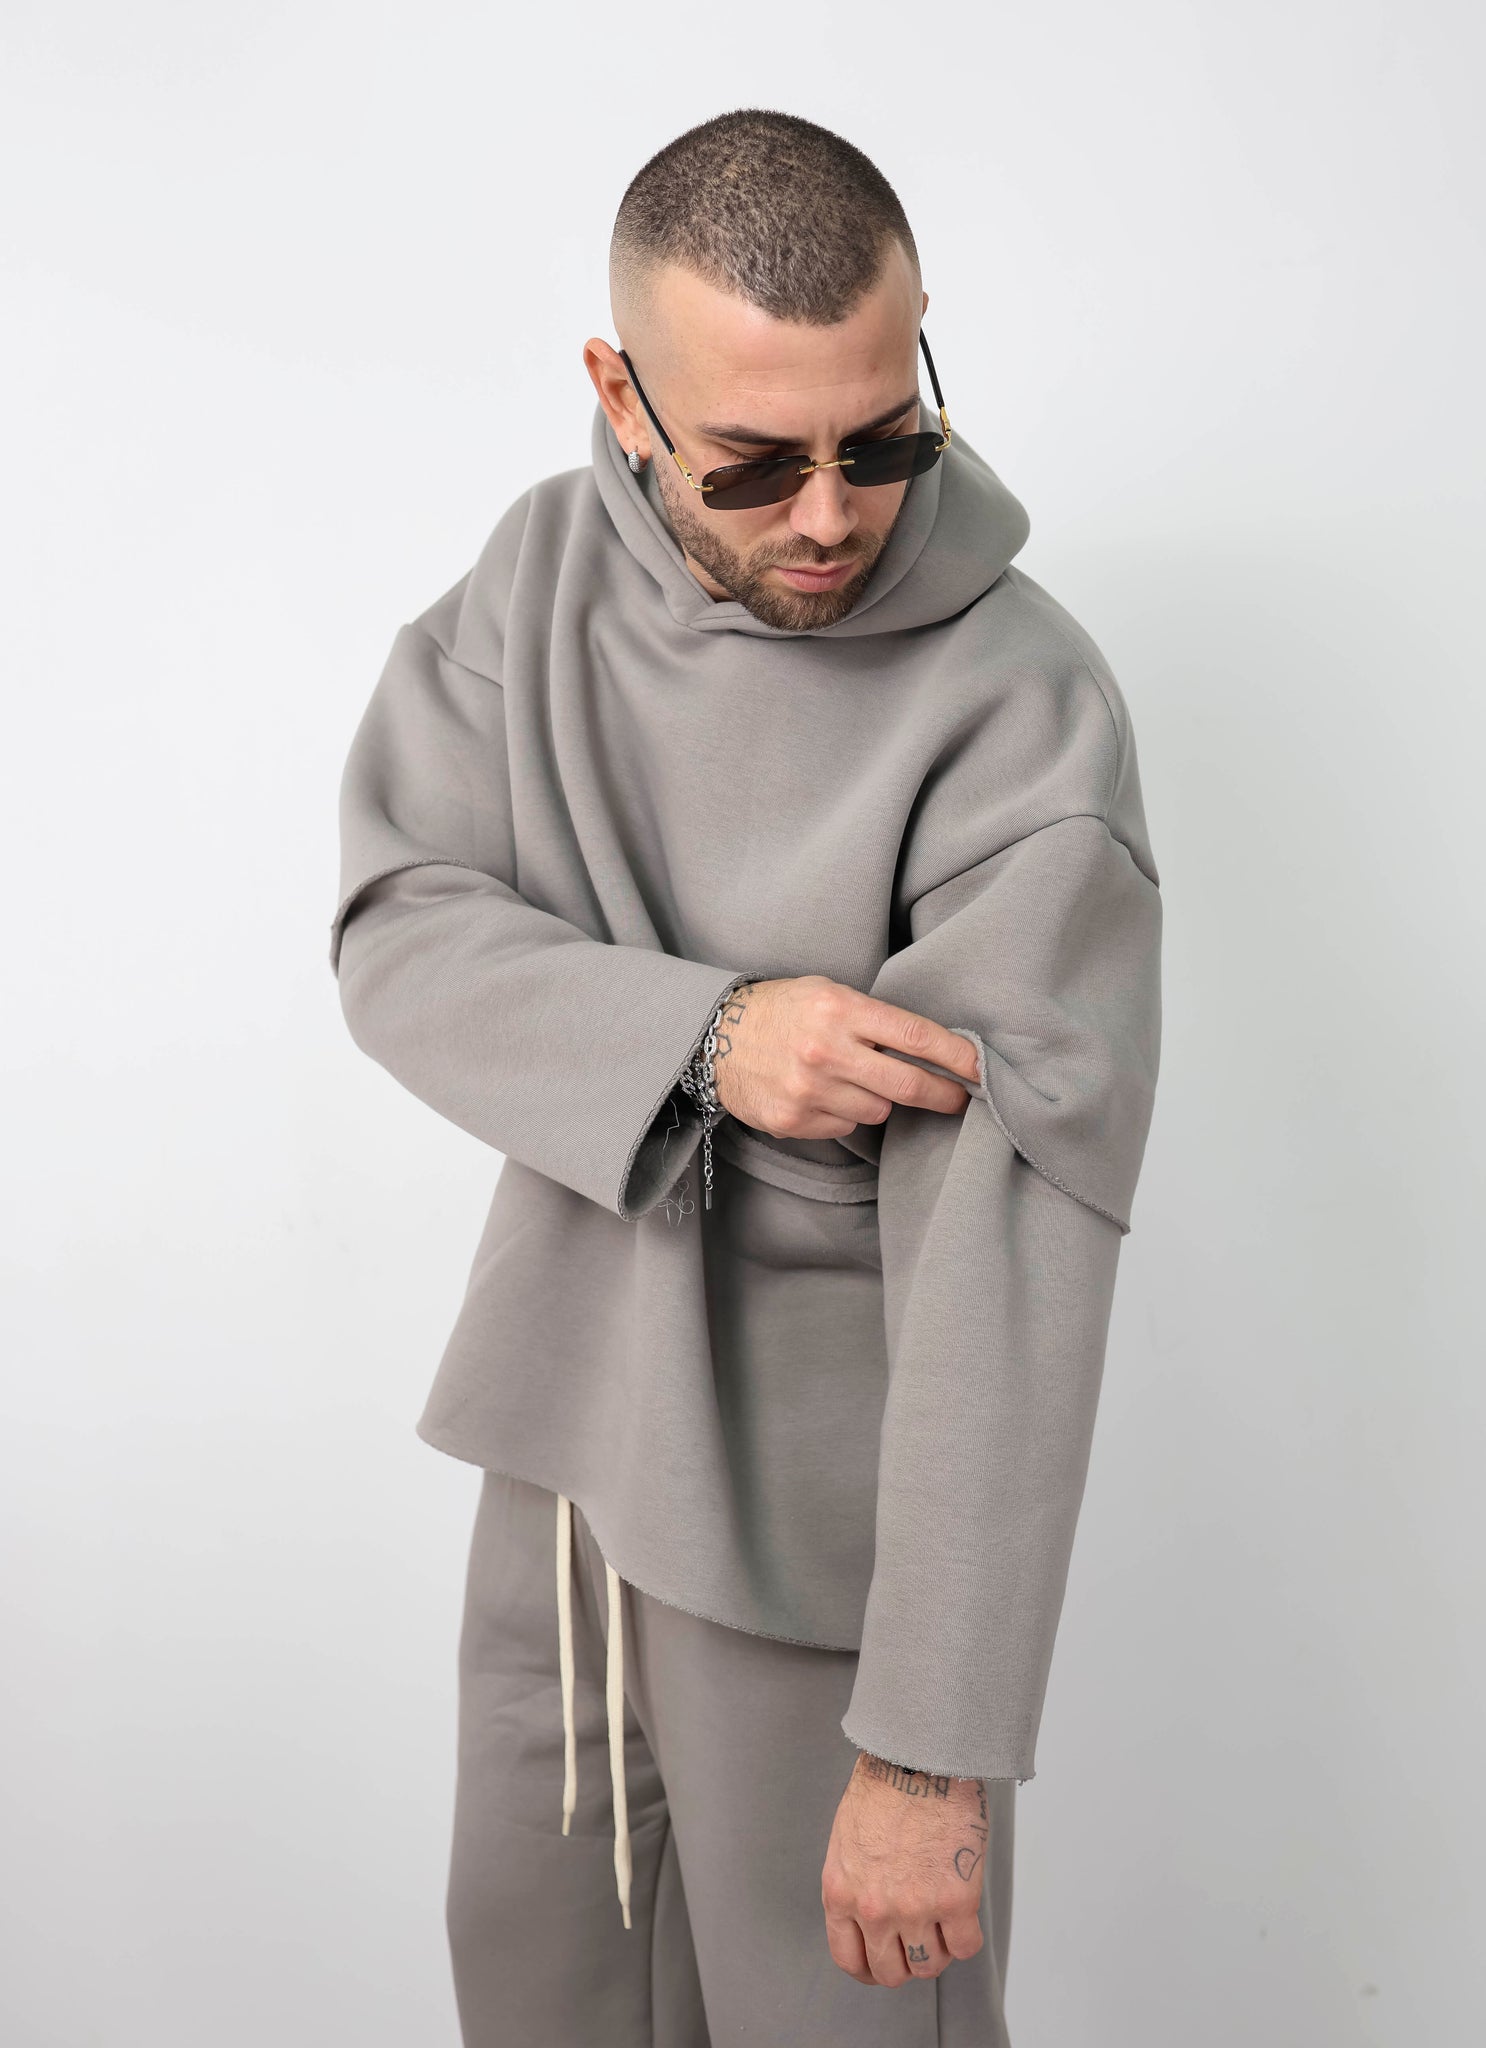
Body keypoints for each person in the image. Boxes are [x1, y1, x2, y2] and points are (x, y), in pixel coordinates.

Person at [330, 107, 1163, 2048]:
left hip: (829, 1530)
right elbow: (399, 924)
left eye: (881, 439)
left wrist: (927, 1749)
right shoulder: (536, 579)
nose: (827, 515)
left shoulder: (1021, 711)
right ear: (618, 390)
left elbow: (1011, 1247)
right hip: (565, 1463)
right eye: (756, 460)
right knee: (541, 1992)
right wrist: (710, 1036)